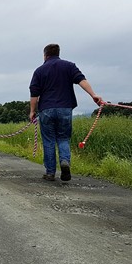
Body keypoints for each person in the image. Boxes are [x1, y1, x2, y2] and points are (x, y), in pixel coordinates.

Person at [29, 44, 103, 182]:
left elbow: (34, 94)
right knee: (63, 138)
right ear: (58, 53)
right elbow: (82, 80)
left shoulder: (39, 71)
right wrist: (93, 95)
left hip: (46, 109)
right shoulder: (69, 66)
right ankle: (64, 161)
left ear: (45, 55)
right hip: (65, 108)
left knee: (49, 140)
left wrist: (32, 111)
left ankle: (50, 173)